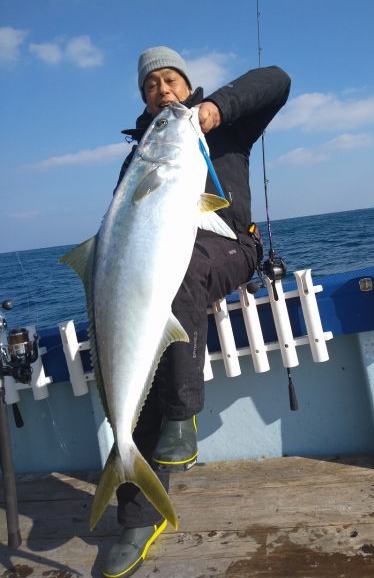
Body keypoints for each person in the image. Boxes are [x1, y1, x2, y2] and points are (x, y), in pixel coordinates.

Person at [102, 46, 291, 578]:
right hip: (164, 262)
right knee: (133, 353)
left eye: (171, 80)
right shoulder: (139, 155)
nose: (162, 90)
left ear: (188, 86)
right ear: (143, 99)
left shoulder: (226, 128)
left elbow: (277, 79)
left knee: (183, 270)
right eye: (151, 85)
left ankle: (183, 417)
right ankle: (137, 517)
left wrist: (217, 111)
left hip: (229, 245)